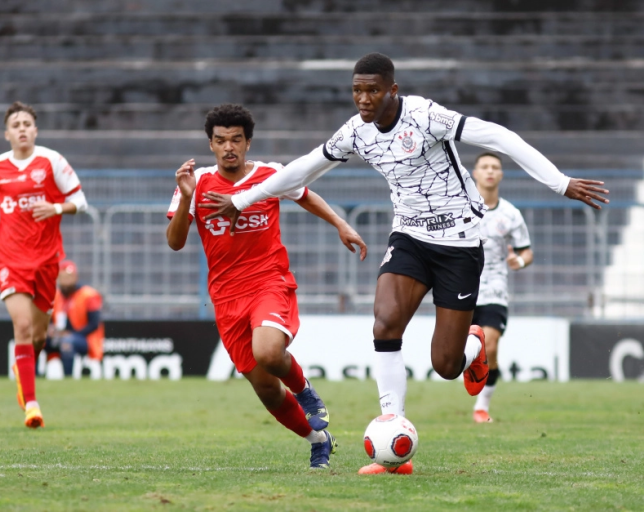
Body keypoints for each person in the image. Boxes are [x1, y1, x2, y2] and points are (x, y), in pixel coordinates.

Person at [199, 53, 609, 475]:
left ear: (392, 90)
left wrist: (560, 183)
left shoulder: (426, 116)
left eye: (372, 90)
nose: (363, 98)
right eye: (357, 90)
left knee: (446, 366)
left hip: (459, 242)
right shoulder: (357, 132)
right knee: (385, 323)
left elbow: (498, 136)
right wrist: (242, 199)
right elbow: (305, 168)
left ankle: (474, 347)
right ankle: (391, 434)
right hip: (410, 237)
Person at [167, 103, 367, 469]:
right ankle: (318, 440)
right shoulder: (196, 185)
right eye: (220, 140)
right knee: (265, 387)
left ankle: (306, 392)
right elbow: (175, 241)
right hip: (226, 297)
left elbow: (305, 195)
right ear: (210, 145)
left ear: (248, 142)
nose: (229, 147)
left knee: (269, 353)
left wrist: (340, 224)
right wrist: (184, 198)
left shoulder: (269, 174)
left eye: (236, 140)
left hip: (268, 281)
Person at [0, 101, 88, 428]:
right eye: (16, 124)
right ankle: (32, 405)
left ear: (35, 130)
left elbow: (80, 202)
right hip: (10, 257)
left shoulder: (52, 161)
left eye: (27, 123)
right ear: (7, 133)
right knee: (21, 326)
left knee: (38, 336)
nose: (22, 128)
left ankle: (22, 368)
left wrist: (55, 208)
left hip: (46, 260)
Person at [470, 152, 533, 423]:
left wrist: (518, 260)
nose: (490, 171)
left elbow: (526, 251)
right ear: (475, 173)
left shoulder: (510, 214)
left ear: (501, 175)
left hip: (495, 287)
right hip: (461, 285)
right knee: (453, 350)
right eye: (484, 166)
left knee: (491, 346)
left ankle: (481, 407)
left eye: (495, 167)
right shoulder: (461, 206)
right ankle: (470, 367)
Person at [47, 260, 104, 376]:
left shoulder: (88, 295)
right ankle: (34, 380)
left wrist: (71, 334)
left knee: (67, 342)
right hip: (59, 335)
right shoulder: (55, 296)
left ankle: (68, 379)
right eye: (63, 277)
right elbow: (49, 320)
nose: (67, 280)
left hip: (84, 338)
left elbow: (94, 324)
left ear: (75, 277)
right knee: (36, 340)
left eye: (69, 276)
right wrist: (50, 329)